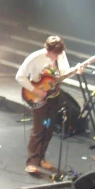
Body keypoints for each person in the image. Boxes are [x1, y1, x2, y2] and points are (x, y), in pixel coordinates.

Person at [15, 35, 81, 175]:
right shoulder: (35, 58)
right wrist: (35, 91)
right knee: (38, 130)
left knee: (49, 128)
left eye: (59, 54)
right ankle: (32, 162)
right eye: (54, 54)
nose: (56, 57)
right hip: (37, 96)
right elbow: (20, 76)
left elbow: (64, 73)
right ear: (47, 49)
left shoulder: (61, 55)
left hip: (53, 96)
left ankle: (41, 157)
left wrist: (76, 71)